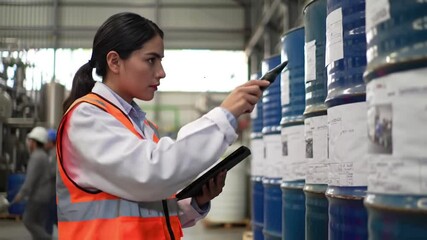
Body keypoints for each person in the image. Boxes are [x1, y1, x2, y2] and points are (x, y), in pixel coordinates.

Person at [58, 12, 268, 240]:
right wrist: (224, 114)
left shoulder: (139, 124)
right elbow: (152, 173)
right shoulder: (87, 118)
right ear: (114, 62)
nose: (161, 72)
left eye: (161, 61)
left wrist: (196, 201)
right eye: (151, 60)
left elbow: (148, 212)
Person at [12, 126, 52, 240]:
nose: (28, 143)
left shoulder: (36, 157)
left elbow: (30, 179)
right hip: (44, 196)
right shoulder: (43, 156)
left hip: (37, 197)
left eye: (30, 141)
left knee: (28, 220)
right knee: (38, 224)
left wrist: (21, 194)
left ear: (34, 142)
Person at [45, 128, 58, 235]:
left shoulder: (55, 154)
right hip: (51, 192)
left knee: (51, 219)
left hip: (54, 192)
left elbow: (54, 172)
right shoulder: (50, 154)